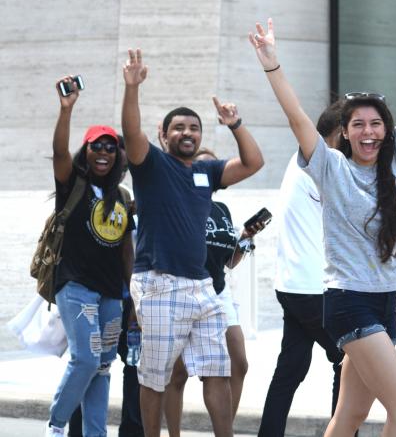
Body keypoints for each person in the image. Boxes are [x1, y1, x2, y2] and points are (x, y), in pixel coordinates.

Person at [248, 0, 396, 434]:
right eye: (359, 125)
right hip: (348, 302)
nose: (369, 131)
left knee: (350, 414)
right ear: (344, 133)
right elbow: (296, 117)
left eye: (376, 124)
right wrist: (273, 65)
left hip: (383, 301)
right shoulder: (330, 168)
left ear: (386, 130)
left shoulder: (394, 165)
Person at [121, 48, 264, 437]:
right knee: (156, 376)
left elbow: (253, 163)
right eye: (179, 128)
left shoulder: (206, 171)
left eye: (194, 128)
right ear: (163, 135)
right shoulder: (151, 163)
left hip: (203, 287)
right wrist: (132, 88)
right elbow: (131, 133)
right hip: (159, 282)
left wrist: (235, 124)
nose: (187, 133)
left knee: (217, 370)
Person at [46, 76, 135, 437]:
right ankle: (55, 424)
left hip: (112, 293)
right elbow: (58, 154)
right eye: (96, 146)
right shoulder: (74, 182)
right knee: (84, 358)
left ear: (118, 155)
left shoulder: (123, 196)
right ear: (87, 152)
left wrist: (134, 298)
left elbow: (126, 249)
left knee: (102, 365)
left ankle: (95, 434)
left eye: (110, 148)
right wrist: (66, 110)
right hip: (76, 286)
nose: (103, 152)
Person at [258, 101, 347, 437]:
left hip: (294, 285)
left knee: (291, 369)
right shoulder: (323, 163)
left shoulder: (299, 162)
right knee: (349, 360)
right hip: (313, 288)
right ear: (340, 133)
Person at [163, 148, 253, 436]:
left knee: (238, 363)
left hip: (217, 291)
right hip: (182, 291)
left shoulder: (221, 209)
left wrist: (246, 240)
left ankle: (223, 428)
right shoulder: (173, 204)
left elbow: (229, 260)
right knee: (177, 373)